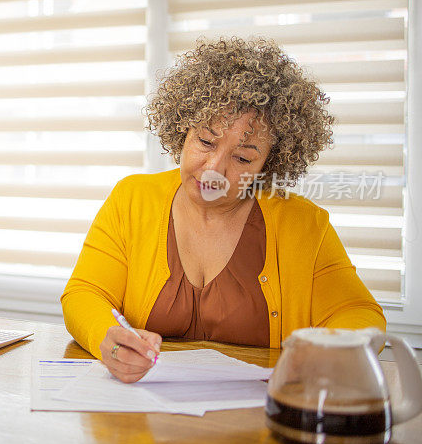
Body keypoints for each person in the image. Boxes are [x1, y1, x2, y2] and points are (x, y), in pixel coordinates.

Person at [60, 37, 386, 383]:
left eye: (243, 157)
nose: (214, 168)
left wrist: (325, 353)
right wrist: (108, 339)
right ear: (183, 128)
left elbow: (359, 314)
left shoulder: (304, 224)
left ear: (268, 164)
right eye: (205, 141)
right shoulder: (132, 199)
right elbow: (85, 293)